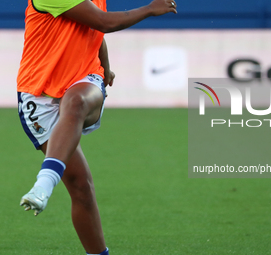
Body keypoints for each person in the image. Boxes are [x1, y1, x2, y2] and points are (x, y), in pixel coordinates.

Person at [17, 0, 177, 254]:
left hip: (84, 78)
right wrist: (149, 9)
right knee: (81, 187)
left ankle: (44, 183)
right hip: (38, 95)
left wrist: (106, 66)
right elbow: (104, 22)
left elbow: (94, 27)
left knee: (78, 101)